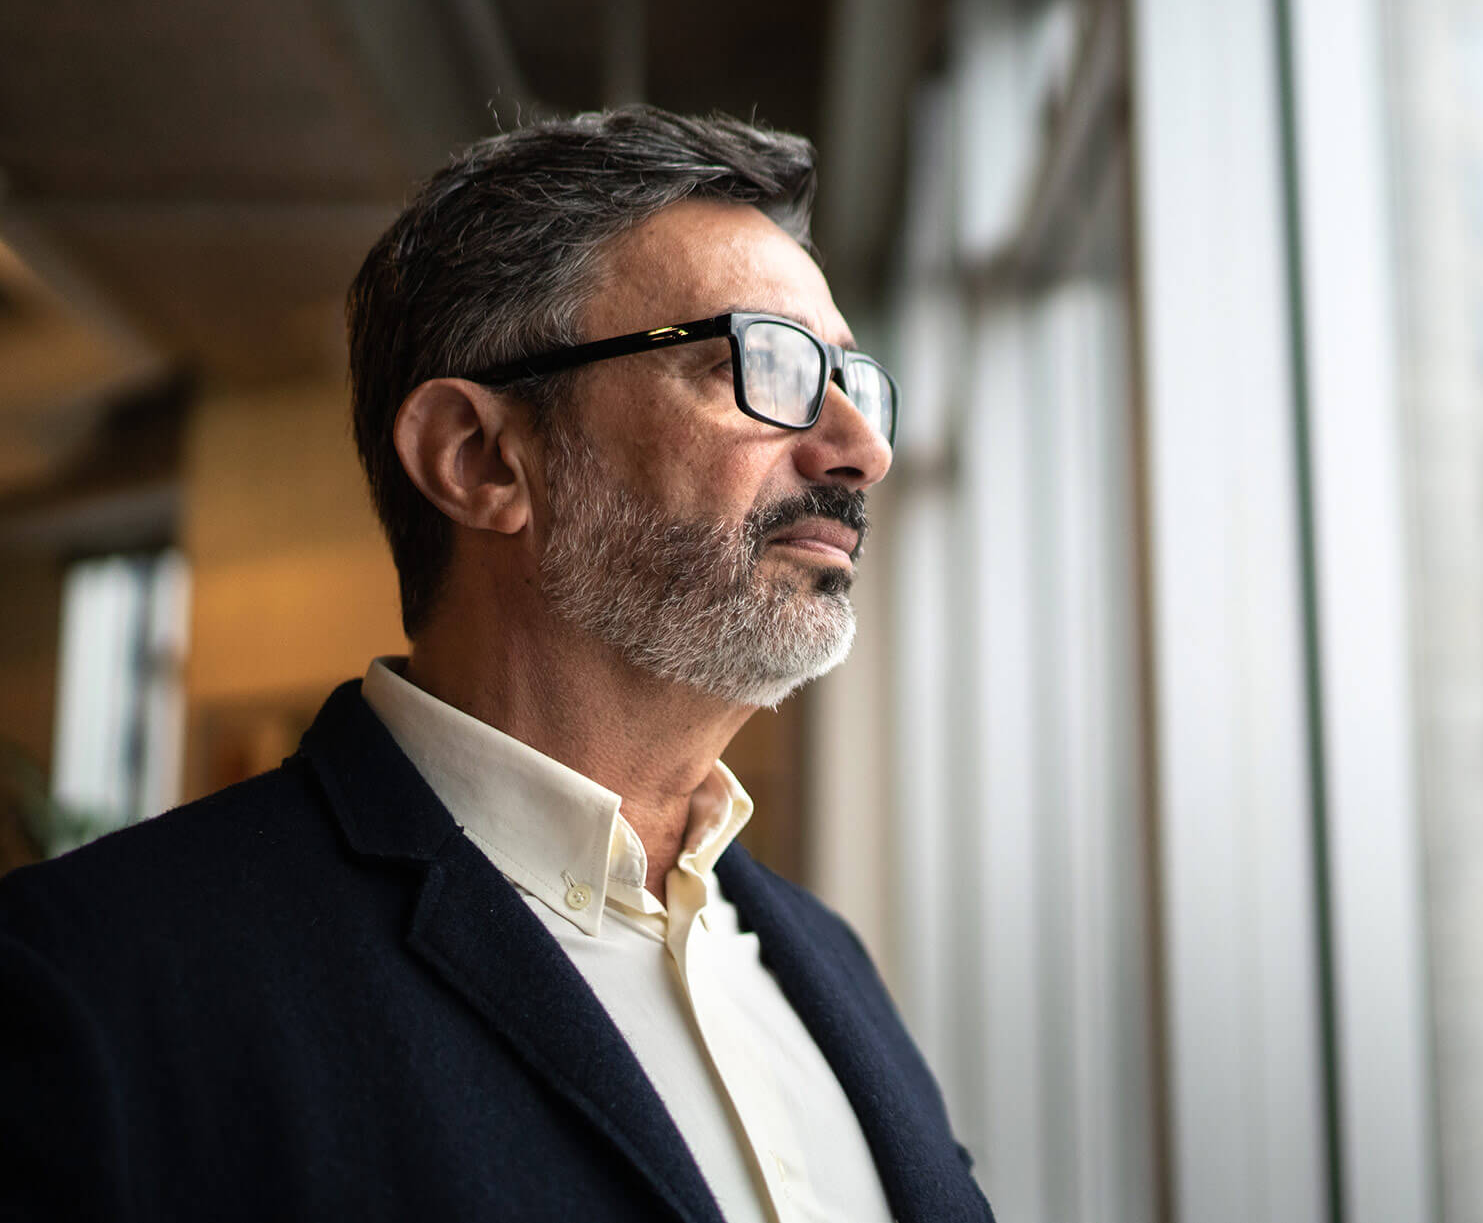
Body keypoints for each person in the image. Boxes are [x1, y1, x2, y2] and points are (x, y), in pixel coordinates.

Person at [0, 108, 992, 1222]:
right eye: (764, 366)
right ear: (481, 459)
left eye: (853, 377)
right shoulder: (89, 988)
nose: (864, 445)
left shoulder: (828, 961)